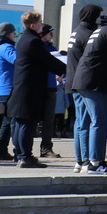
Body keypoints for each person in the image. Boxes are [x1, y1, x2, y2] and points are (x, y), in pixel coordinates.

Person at [71, 2, 107, 175]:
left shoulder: (101, 29)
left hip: (84, 80)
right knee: (100, 120)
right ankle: (95, 163)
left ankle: (83, 162)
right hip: (92, 82)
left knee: (85, 123)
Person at [8, 12, 67, 168]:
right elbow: (48, 61)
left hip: (23, 87)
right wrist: (67, 69)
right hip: (30, 88)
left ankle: (21, 155)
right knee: (27, 123)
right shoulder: (34, 41)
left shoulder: (23, 39)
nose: (42, 25)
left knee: (21, 123)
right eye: (40, 22)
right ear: (33, 25)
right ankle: (26, 157)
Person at [64, 3, 101, 171]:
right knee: (87, 121)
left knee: (80, 122)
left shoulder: (77, 31)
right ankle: (86, 160)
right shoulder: (88, 34)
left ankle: (79, 160)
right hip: (83, 82)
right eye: (99, 15)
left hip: (73, 81)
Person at [0, 23, 17, 160]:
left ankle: (1, 151)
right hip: (10, 88)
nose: (15, 36)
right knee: (14, 121)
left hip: (3, 89)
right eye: (14, 33)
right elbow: (18, 61)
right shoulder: (6, 47)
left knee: (7, 121)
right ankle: (18, 151)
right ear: (8, 34)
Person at [38, 25, 62, 158]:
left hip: (51, 86)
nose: (52, 36)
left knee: (49, 119)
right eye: (50, 33)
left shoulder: (53, 49)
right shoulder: (36, 47)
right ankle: (23, 150)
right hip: (37, 87)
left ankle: (46, 148)